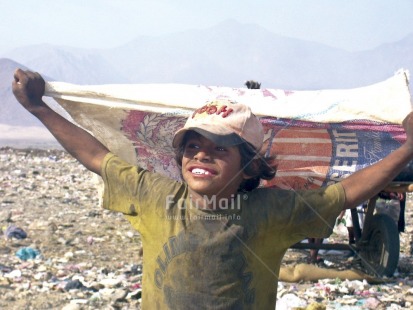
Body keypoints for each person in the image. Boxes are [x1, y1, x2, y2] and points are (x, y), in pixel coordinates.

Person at [12, 69, 413, 309]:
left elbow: (346, 193)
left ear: (250, 165)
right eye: (192, 147)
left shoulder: (271, 211)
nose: (201, 157)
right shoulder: (158, 197)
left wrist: (409, 148)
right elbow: (98, 157)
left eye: (219, 149)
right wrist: (39, 109)